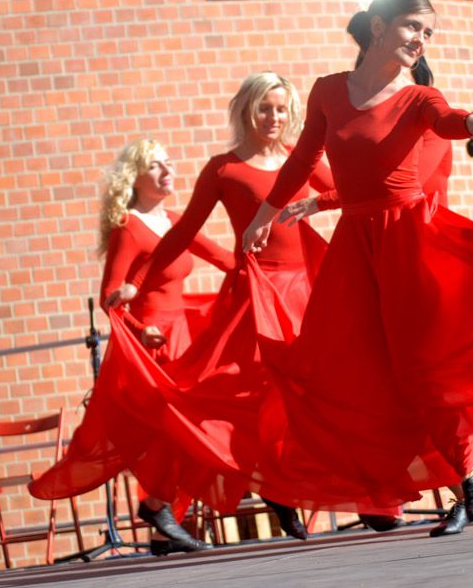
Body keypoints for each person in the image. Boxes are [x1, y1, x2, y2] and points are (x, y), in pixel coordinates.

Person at [242, 0, 473, 529]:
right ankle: (428, 484)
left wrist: (468, 123)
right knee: (361, 369)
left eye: (428, 33)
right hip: (357, 248)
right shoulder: (327, 92)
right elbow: (304, 158)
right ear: (377, 27)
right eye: (412, 27)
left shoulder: (418, 98)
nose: (421, 40)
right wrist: (264, 217)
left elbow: (442, 119)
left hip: (411, 243)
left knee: (432, 369)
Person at [107, 72, 335, 537]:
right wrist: (137, 282)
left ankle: (344, 492)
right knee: (241, 396)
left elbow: (347, 191)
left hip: (306, 290)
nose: (274, 117)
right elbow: (185, 231)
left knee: (324, 389)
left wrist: (317, 203)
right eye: (265, 108)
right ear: (246, 110)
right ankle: (267, 486)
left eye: (281, 109)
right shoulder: (223, 169)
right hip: (258, 295)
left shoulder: (299, 157)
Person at [31, 138, 233, 555]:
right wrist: (140, 330)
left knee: (196, 429)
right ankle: (158, 507)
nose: (167, 171)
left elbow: (223, 258)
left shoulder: (177, 220)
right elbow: (110, 297)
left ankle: (162, 526)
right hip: (155, 346)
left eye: (169, 162)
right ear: (137, 177)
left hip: (184, 340)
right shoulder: (129, 227)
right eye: (156, 165)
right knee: (182, 433)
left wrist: (272, 264)